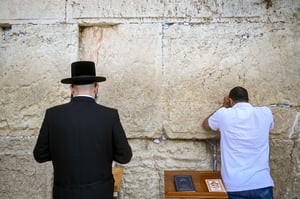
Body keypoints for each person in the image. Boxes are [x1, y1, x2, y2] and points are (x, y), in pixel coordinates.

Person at [33, 61, 132, 199]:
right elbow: (125, 156)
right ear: (96, 88)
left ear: (72, 88)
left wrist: (61, 151)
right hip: (100, 193)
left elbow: (40, 155)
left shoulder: (53, 114)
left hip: (65, 194)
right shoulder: (109, 115)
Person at [202, 86, 274, 199]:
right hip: (262, 183)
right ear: (248, 100)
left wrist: (224, 106)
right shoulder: (266, 113)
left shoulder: (224, 114)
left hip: (235, 184)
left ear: (230, 101)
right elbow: (269, 127)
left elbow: (206, 125)